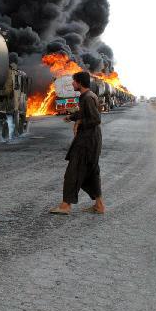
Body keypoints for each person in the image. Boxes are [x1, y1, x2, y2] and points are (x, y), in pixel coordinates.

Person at [50, 71, 105, 215]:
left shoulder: (87, 98)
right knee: (91, 172)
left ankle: (65, 205)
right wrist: (73, 117)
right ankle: (99, 205)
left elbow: (95, 119)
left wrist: (80, 124)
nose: (72, 84)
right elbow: (85, 114)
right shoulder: (88, 96)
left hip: (87, 141)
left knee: (73, 171)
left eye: (74, 81)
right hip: (91, 140)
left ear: (80, 83)